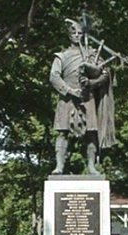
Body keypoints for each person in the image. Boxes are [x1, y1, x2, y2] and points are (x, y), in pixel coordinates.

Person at [50, 19, 115, 175]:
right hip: (67, 98)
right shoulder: (61, 56)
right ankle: (59, 166)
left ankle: (91, 166)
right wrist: (70, 90)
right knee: (62, 132)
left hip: (87, 98)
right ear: (69, 35)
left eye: (80, 33)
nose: (77, 36)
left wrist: (91, 83)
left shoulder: (92, 55)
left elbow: (105, 75)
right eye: (74, 33)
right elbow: (54, 76)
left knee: (91, 132)